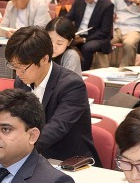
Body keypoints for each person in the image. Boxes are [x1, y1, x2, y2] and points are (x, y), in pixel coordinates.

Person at [6, 26, 100, 164]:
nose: (18, 73)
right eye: (14, 66)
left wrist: (18, 148)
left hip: (69, 161)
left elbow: (57, 127)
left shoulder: (72, 85)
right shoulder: (21, 81)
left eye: (23, 67)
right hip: (35, 157)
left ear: (44, 59)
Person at [64, 0, 113, 70]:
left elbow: (104, 31)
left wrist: (83, 39)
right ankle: (66, 71)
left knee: (87, 47)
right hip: (78, 35)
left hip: (97, 38)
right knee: (63, 43)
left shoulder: (107, 5)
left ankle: (83, 73)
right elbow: (69, 17)